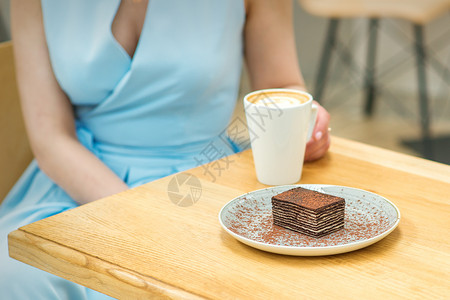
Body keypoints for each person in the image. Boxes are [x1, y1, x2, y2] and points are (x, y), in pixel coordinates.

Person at [0, 0, 331, 299]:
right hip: (76, 183)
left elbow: (282, 86)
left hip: (205, 180)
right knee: (22, 275)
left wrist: (303, 120)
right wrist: (140, 221)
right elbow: (50, 137)